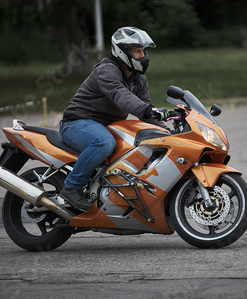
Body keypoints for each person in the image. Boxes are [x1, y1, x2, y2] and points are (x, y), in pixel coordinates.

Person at [59, 26, 170, 210]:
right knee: (104, 143)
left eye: (144, 51)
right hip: (77, 123)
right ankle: (72, 188)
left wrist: (167, 131)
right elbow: (121, 96)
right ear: (123, 51)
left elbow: (145, 111)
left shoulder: (138, 78)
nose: (143, 56)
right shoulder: (107, 70)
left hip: (106, 126)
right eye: (137, 51)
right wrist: (148, 110)